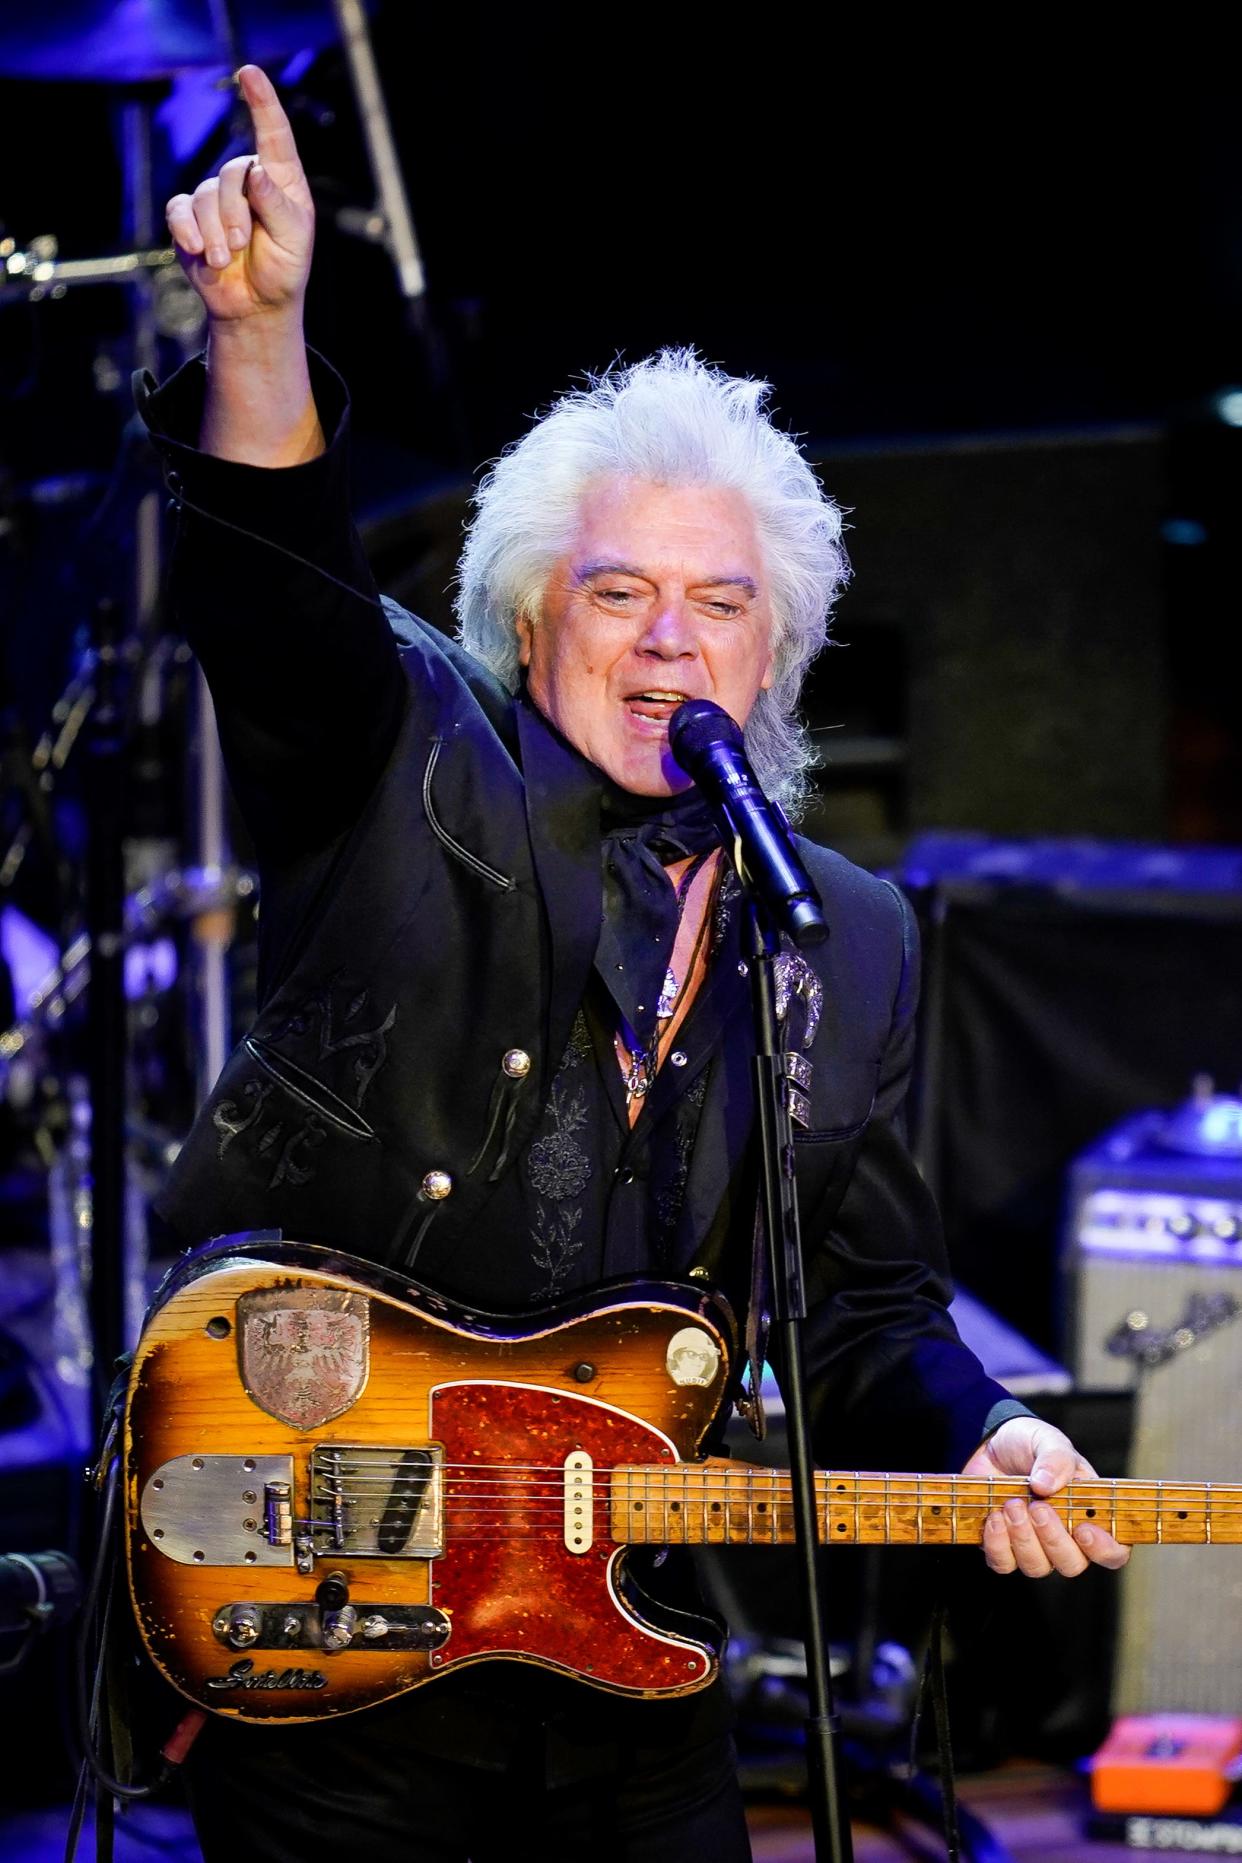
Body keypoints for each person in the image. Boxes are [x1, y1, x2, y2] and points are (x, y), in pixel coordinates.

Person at [138, 64, 1130, 1863]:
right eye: (619, 594)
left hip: (626, 1673)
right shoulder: (405, 770)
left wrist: (985, 1430)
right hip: (333, 1640)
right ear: (533, 618)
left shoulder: (849, 933)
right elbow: (276, 606)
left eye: (720, 604)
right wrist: (263, 341)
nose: (671, 642)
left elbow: (865, 1298)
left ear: (779, 656)